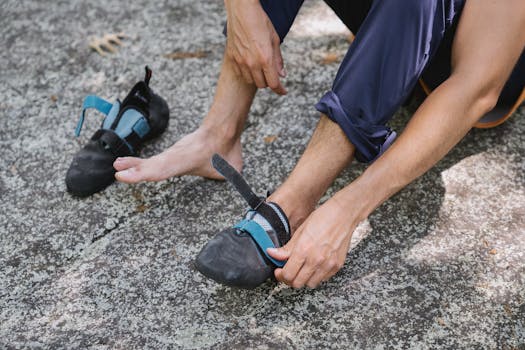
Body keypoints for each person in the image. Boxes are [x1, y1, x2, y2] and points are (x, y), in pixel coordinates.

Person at [112, 0, 525, 288]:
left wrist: (348, 208)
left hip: (477, 56)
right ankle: (219, 133)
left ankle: (293, 202)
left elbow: (476, 88)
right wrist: (242, 8)